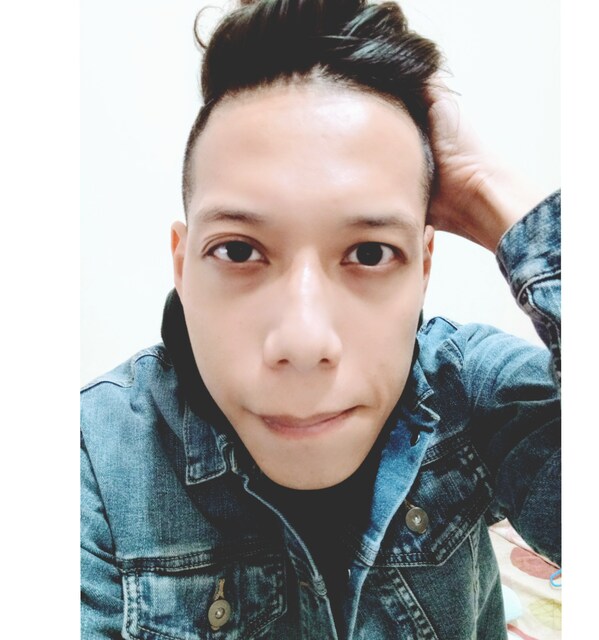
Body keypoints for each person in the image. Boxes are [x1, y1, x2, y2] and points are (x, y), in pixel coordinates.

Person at [81, 1, 560, 638]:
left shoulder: (467, 390)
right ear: (181, 264)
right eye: (239, 251)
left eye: (370, 253)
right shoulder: (95, 458)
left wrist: (489, 189)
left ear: (423, 267)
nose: (304, 342)